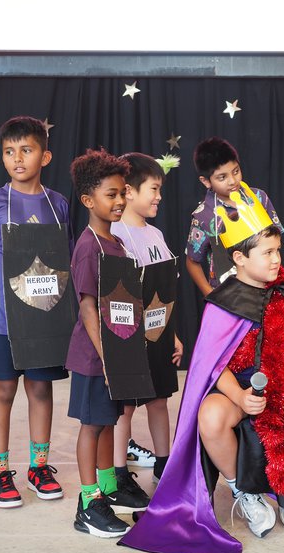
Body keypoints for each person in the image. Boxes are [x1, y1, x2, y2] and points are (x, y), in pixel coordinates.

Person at [121, 193, 284, 553]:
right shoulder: (223, 303)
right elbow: (212, 365)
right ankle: (243, 492)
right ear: (240, 258)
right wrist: (239, 396)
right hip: (239, 382)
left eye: (278, 251)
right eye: (267, 252)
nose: (276, 259)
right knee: (210, 417)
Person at [0, 116, 73, 507]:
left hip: (43, 315)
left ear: (44, 156)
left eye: (26, 150)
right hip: (1, 317)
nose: (17, 159)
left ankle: (38, 467)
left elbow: (61, 259)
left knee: (40, 388)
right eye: (9, 151)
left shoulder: (57, 203)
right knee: (2, 389)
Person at [67, 149, 147, 538]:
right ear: (88, 200)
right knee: (91, 426)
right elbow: (87, 307)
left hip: (113, 355)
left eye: (122, 193)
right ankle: (88, 503)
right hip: (93, 358)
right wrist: (107, 358)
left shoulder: (114, 242)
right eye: (110, 194)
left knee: (107, 423)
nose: (119, 201)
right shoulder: (89, 247)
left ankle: (107, 488)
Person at [109, 153, 183, 495]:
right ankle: (119, 472)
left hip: (157, 336)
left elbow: (163, 294)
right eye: (154, 189)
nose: (159, 197)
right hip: (127, 339)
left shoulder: (156, 235)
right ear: (129, 191)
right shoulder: (115, 235)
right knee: (124, 407)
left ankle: (164, 463)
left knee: (159, 399)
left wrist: (172, 334)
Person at [185, 137, 283, 295]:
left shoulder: (259, 198)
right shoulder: (203, 215)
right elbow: (192, 261)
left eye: (236, 171)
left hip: (267, 289)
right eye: (222, 177)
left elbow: (276, 241)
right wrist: (210, 294)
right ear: (206, 181)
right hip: (227, 295)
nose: (232, 181)